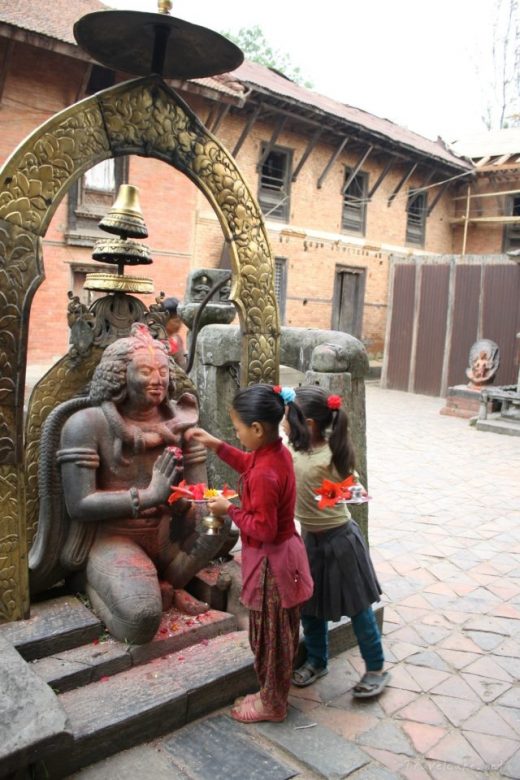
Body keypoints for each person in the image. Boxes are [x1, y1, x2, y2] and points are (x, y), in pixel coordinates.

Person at [30, 324, 227, 644]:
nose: (158, 380)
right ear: (119, 375)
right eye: (145, 371)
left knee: (219, 520)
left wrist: (186, 502)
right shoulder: (87, 425)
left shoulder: (183, 424)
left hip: (168, 535)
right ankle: (99, 585)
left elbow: (198, 493)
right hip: (115, 541)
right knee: (140, 620)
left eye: (163, 371)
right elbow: (79, 504)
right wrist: (148, 495)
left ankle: (170, 583)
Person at [185, 384, 314, 723]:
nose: (237, 435)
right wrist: (217, 446)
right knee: (275, 635)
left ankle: (273, 704)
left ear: (257, 429)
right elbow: (248, 462)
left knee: (270, 639)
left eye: (238, 430)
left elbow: (264, 529)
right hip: (285, 556)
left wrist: (229, 510)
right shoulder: (274, 453)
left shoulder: (265, 473)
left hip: (273, 565)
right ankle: (271, 693)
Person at [288, 385, 389, 698]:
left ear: (310, 424)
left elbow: (357, 492)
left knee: (359, 607)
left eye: (287, 419)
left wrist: (324, 497)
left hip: (341, 540)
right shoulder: (293, 451)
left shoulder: (331, 454)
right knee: (310, 606)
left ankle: (375, 668)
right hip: (310, 541)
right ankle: (318, 660)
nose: (283, 424)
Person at [162, 296, 187, 369]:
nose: (179, 325)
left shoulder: (178, 339)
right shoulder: (156, 338)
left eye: (181, 321)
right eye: (176, 321)